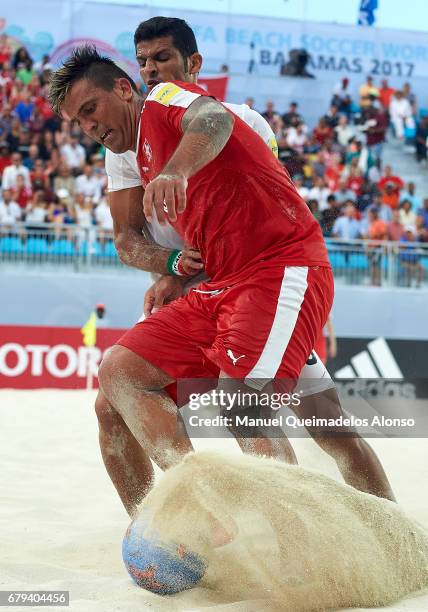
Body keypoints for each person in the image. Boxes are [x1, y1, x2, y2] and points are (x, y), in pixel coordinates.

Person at [50, 23, 394, 513]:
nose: (151, 70)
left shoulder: (219, 114)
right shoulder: (124, 149)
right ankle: (180, 523)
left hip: (272, 280)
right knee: (115, 387)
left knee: (310, 421)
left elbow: (253, 175)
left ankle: (332, 533)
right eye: (143, 60)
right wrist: (170, 263)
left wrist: (175, 171)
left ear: (193, 67)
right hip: (209, 289)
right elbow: (128, 240)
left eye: (161, 60)